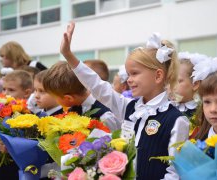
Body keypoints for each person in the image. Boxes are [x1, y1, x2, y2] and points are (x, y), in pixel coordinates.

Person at [60, 22, 189, 179]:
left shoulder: (177, 120)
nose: (129, 80)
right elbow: (97, 86)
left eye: (134, 73)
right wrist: (69, 56)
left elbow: (175, 172)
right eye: (128, 74)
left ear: (158, 76)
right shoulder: (129, 107)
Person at [43, 61, 121, 131]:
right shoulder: (74, 108)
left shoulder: (105, 117)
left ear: (68, 98)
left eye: (54, 97)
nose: (55, 100)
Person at [0, 70, 34, 180]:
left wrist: (11, 149)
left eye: (11, 90)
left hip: (16, 173)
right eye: (4, 89)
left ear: (26, 93)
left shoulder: (29, 117)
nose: (5, 93)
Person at [171, 52, 209, 117]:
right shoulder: (165, 108)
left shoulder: (202, 112)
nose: (172, 86)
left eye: (178, 81)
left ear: (195, 84)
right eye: (170, 81)